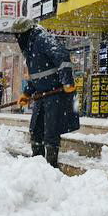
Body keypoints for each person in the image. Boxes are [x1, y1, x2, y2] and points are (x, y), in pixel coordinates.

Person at [9, 18, 79, 167]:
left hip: (55, 94)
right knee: (35, 130)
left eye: (18, 35)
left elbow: (62, 57)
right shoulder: (30, 46)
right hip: (41, 96)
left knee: (51, 132)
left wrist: (67, 81)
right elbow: (36, 76)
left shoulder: (43, 39)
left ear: (25, 32)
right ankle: (37, 166)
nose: (17, 39)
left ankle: (51, 166)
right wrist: (27, 93)